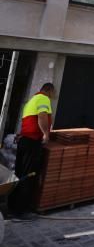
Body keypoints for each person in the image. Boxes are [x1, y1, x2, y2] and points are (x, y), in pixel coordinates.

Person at [8, 82, 55, 216]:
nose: (52, 96)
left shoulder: (31, 101)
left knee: (19, 174)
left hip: (24, 141)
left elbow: (29, 122)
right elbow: (42, 116)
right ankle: (20, 212)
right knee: (29, 175)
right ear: (49, 91)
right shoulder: (44, 98)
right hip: (32, 143)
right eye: (53, 94)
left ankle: (12, 207)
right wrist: (46, 134)